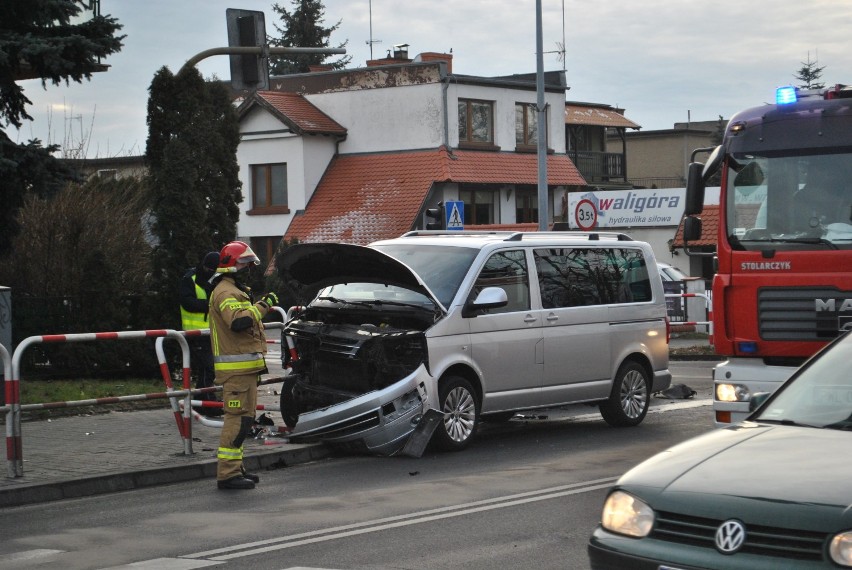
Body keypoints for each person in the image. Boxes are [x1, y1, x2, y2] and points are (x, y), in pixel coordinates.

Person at [208, 241, 278, 490]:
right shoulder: (226, 292)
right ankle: (227, 474)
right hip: (235, 373)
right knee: (236, 421)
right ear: (230, 266)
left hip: (245, 371)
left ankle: (236, 469)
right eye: (244, 263)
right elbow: (238, 322)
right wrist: (264, 305)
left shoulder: (235, 290)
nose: (248, 268)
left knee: (244, 421)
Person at [179, 251, 220, 415]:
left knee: (207, 369)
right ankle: (207, 403)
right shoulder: (190, 279)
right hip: (194, 332)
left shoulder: (215, 279)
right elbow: (187, 302)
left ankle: (201, 402)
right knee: (208, 368)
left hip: (211, 331)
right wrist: (209, 305)